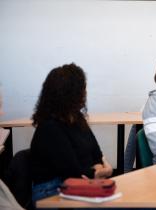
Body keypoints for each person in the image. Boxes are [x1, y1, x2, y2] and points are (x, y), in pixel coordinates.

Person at [30, 63, 113, 203]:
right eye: (82, 89)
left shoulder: (77, 118)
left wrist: (96, 169)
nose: (85, 93)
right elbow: (73, 173)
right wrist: (99, 171)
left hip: (79, 185)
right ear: (69, 94)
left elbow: (96, 155)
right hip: (51, 192)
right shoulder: (49, 127)